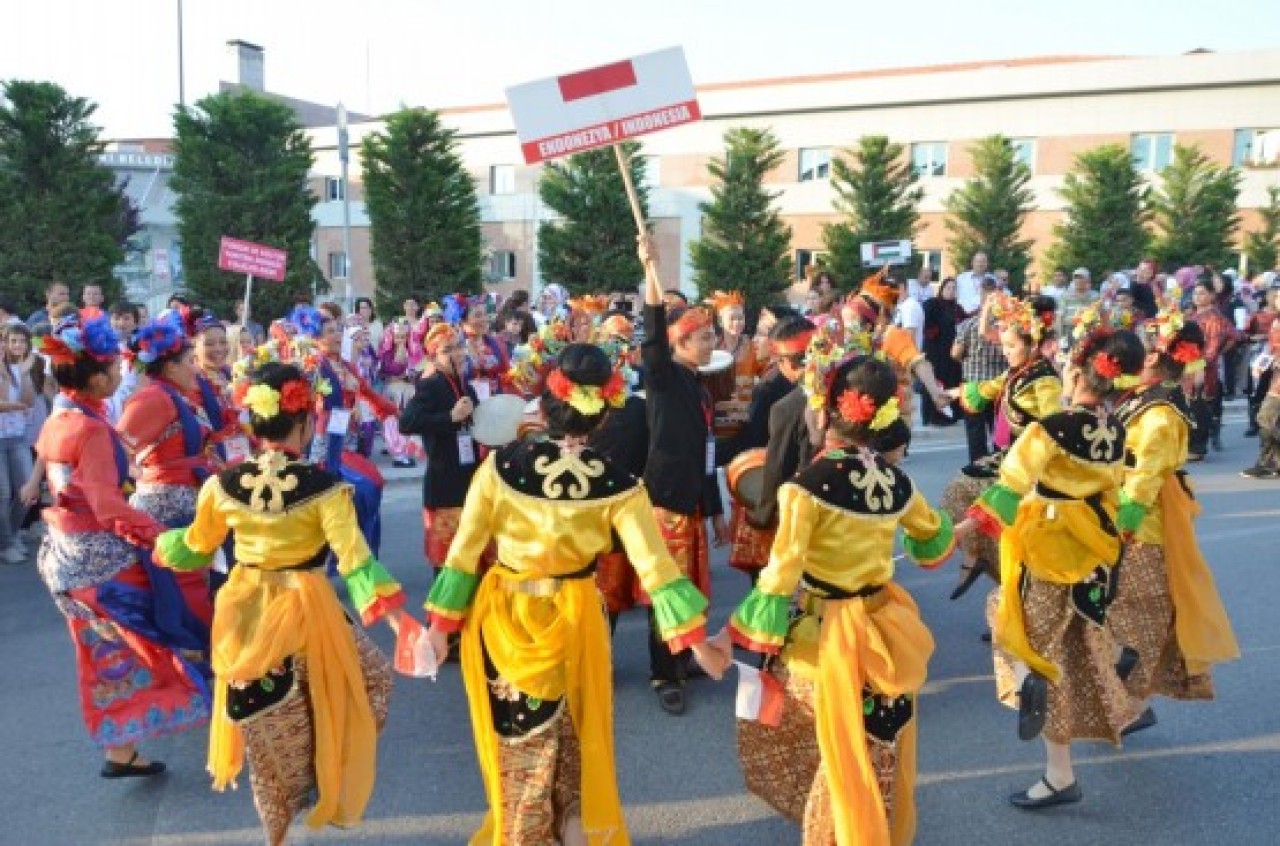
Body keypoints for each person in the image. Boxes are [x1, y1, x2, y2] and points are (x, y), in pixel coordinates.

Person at [423, 344, 721, 845]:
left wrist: (438, 629)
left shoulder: (500, 468)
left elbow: (463, 554)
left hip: (504, 617)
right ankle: (572, 827)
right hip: (576, 616)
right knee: (574, 742)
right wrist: (695, 643)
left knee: (521, 749)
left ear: (546, 401)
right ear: (605, 410)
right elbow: (658, 571)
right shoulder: (620, 484)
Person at [711, 354, 956, 845]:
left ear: (823, 414)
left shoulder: (804, 491)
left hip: (827, 639)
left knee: (830, 751)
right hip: (887, 627)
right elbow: (932, 545)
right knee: (874, 746)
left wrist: (726, 635)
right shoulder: (898, 483)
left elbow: (779, 579)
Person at [153, 362, 401, 846]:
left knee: (264, 727)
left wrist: (161, 545)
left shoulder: (222, 485)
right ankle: (321, 769)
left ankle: (282, 824)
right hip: (311, 612)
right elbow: (356, 563)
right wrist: (399, 623)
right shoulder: (325, 488)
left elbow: (196, 548)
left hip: (244, 612)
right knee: (366, 684)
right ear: (305, 422)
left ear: (253, 422)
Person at [955, 329, 1146, 810]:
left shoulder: (1050, 428)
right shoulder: (1116, 430)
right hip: (1093, 549)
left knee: (1017, 633)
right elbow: (1124, 490)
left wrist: (965, 530)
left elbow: (1007, 488)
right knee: (1069, 648)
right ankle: (1061, 765)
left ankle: (1029, 694)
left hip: (1045, 547)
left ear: (1078, 372)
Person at [34, 315, 210, 777]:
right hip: (102, 562)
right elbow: (108, 506)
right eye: (112, 367)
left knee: (106, 654)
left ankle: (121, 751)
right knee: (165, 630)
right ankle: (216, 706)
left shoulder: (60, 419)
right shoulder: (90, 429)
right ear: (95, 377)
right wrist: (160, 535)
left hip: (67, 558)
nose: (119, 373)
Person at [1107, 317, 1239, 736]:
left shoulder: (1162, 413)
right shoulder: (1144, 397)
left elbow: (1146, 473)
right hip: (1124, 508)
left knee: (1137, 611)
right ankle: (1126, 700)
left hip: (1144, 523)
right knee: (1121, 610)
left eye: (1144, 351)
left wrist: (1124, 519)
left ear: (1156, 359)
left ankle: (1134, 702)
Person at [639, 234, 727, 715]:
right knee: (665, 592)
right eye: (705, 337)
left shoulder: (699, 387)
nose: (713, 343)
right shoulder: (664, 378)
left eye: (713, 336)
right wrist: (649, 268)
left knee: (691, 589)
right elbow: (651, 337)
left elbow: (707, 456)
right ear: (681, 343)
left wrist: (715, 512)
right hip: (666, 504)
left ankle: (683, 654)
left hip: (693, 503)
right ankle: (662, 671)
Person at [942, 294, 1061, 600]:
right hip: (1008, 459)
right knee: (958, 492)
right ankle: (984, 562)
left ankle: (1016, 595)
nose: (1005, 352)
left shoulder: (1045, 380)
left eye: (1011, 346)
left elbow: (1053, 426)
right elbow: (987, 388)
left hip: (1030, 468)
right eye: (1004, 346)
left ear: (1033, 345)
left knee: (1018, 538)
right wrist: (951, 393)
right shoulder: (1017, 372)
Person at [117, 314, 234, 626]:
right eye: (187, 361)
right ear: (170, 367)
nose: (194, 368)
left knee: (208, 581)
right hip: (167, 506)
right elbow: (118, 452)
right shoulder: (152, 399)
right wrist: (141, 482)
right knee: (187, 588)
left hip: (191, 499)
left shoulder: (173, 394)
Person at [293, 306, 397, 555]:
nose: (337, 336)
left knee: (368, 489)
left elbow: (368, 392)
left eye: (338, 331)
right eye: (330, 332)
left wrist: (394, 412)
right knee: (360, 490)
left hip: (347, 440)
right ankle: (345, 553)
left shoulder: (345, 365)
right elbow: (301, 404)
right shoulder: (312, 366)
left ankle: (361, 552)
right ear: (316, 338)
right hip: (323, 444)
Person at [720, 317, 813, 582]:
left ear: (781, 358)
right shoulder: (836, 390)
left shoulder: (786, 405)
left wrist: (761, 513)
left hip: (793, 504)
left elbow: (776, 463)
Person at [399, 323, 490, 573]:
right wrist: (449, 417)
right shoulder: (431, 384)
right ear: (434, 357)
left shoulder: (463, 382)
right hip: (444, 481)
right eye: (448, 349)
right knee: (449, 567)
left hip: (469, 478)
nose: (458, 353)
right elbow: (406, 423)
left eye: (459, 346)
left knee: (474, 563)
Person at [951, 279, 1007, 462]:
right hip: (998, 386)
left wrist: (966, 357)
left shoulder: (967, 325)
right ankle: (1000, 466)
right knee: (999, 431)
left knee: (975, 432)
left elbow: (955, 353)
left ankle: (977, 468)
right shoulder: (1005, 326)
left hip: (973, 387)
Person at [0, 325, 36, 563]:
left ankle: (10, 537)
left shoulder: (20, 369)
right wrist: (15, 407)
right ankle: (6, 544)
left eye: (21, 341)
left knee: (26, 490)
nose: (16, 346)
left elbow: (28, 401)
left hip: (18, 436)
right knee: (2, 492)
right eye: (12, 341)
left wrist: (23, 372)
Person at [1187, 280, 1235, 458]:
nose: (1197, 297)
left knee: (1199, 406)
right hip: (1189, 366)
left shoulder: (1213, 318)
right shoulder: (1193, 315)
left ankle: (1198, 448)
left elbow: (1218, 345)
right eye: (1195, 293)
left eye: (1202, 293)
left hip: (1202, 368)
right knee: (1192, 405)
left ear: (1212, 296)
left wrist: (1205, 363)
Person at [921, 277, 964, 425]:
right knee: (937, 383)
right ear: (942, 289)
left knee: (951, 382)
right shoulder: (933, 304)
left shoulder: (957, 308)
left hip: (951, 353)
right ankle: (936, 416)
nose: (951, 291)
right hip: (936, 352)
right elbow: (925, 323)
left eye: (954, 288)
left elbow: (965, 322)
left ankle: (951, 414)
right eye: (948, 287)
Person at [1241, 319, 1280, 478]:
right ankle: (1270, 463)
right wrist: (1261, 364)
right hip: (1275, 375)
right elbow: (1271, 348)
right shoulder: (1277, 322)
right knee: (1269, 419)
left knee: (1266, 417)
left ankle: (1267, 463)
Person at [1056, 268, 1100, 344]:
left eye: (1081, 277)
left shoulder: (1095, 296)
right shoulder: (1065, 295)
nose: (1078, 280)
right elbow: (1059, 317)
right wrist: (1060, 337)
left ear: (1088, 280)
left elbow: (1099, 315)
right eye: (1076, 278)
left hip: (1089, 330)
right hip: (1069, 330)